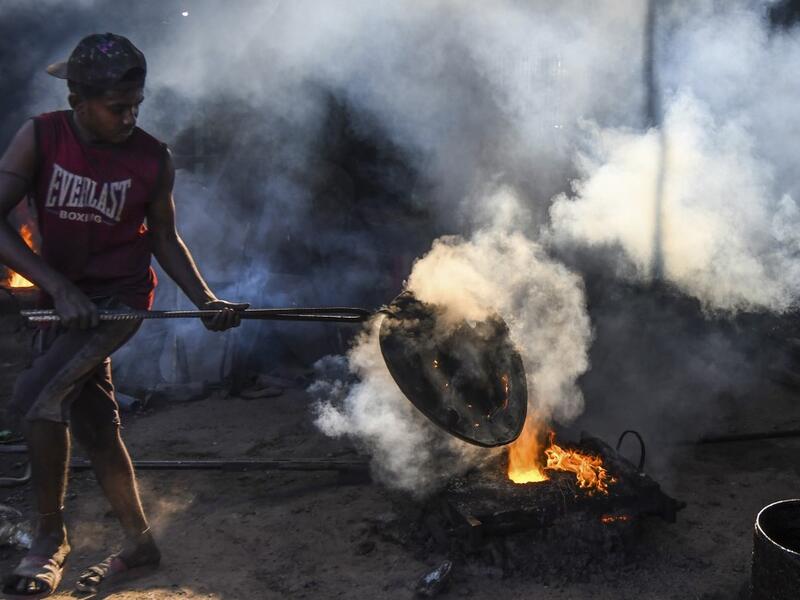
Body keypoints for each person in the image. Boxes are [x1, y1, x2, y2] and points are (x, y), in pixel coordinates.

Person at [0, 33, 248, 597]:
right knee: (92, 423)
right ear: (78, 102)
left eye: (137, 103)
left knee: (37, 398)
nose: (131, 116)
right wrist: (57, 286)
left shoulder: (152, 157)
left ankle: (47, 540)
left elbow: (163, 236)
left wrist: (206, 300)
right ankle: (140, 543)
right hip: (63, 299)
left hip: (119, 301)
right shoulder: (41, 137)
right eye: (118, 108)